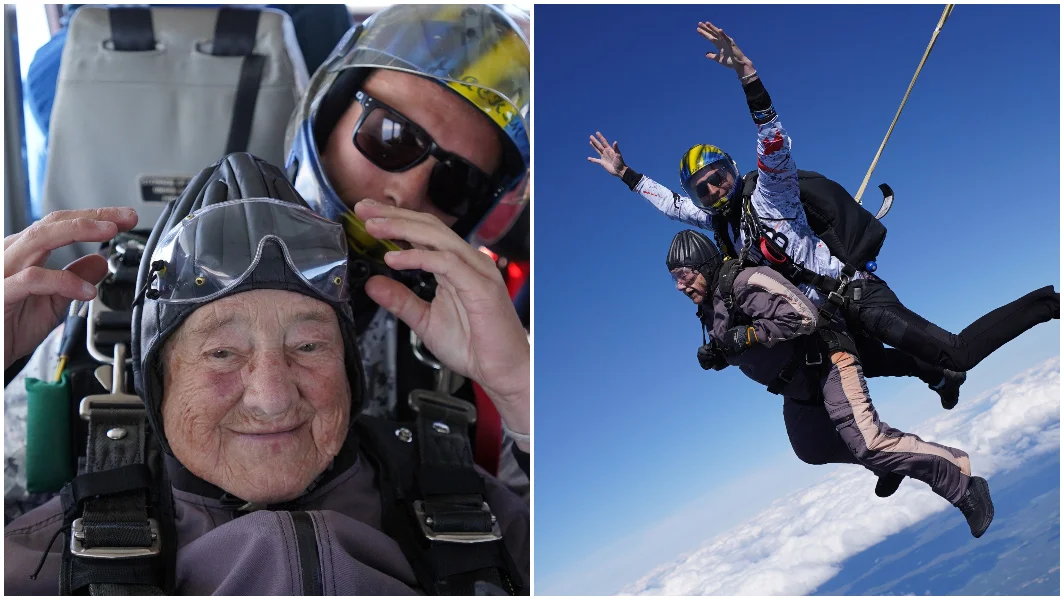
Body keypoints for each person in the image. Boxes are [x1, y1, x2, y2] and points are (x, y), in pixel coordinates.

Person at [5, 5, 531, 517]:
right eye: (391, 137)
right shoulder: (112, 302)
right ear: (327, 113)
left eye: (457, 182)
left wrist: (519, 390)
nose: (406, 192)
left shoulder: (463, 343)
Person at [3, 153, 529, 594]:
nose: (272, 397)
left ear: (348, 365)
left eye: (308, 346)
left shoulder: (476, 508)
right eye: (221, 353)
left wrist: (520, 390)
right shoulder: (49, 557)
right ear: (158, 378)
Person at [588, 20, 1058, 406]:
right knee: (873, 363)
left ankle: (1049, 305)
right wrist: (625, 173)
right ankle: (938, 378)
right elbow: (672, 206)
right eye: (702, 187)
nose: (713, 189)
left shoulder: (769, 196)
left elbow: (773, 144)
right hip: (830, 315)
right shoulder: (719, 223)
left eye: (719, 177)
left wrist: (748, 76)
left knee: (957, 351)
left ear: (732, 170)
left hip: (857, 296)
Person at [666, 228, 994, 537]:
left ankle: (961, 481)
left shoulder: (745, 282)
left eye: (684, 275)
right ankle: (888, 466)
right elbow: (742, 343)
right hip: (800, 385)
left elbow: (803, 315)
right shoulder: (712, 306)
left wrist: (750, 334)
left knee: (869, 443)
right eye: (675, 279)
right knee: (812, 447)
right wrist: (719, 355)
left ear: (705, 266)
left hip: (827, 358)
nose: (680, 286)